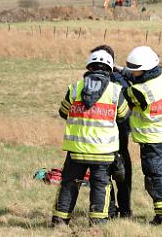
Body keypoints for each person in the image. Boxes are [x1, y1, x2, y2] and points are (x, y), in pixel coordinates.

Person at [53, 50, 129, 226]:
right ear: (109, 69)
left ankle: (59, 221)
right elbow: (124, 116)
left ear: (89, 67)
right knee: (101, 186)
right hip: (103, 152)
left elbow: (63, 112)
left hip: (76, 151)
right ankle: (98, 223)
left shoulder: (74, 89)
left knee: (69, 184)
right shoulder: (116, 91)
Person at [123, 46, 162, 225]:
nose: (132, 71)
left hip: (152, 141)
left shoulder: (140, 90)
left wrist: (121, 77)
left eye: (135, 68)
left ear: (145, 69)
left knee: (155, 178)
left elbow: (126, 96)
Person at [90, 44, 133, 219]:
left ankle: (114, 209)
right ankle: (122, 209)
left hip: (111, 135)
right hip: (118, 134)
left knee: (108, 173)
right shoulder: (120, 78)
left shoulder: (114, 81)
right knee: (120, 173)